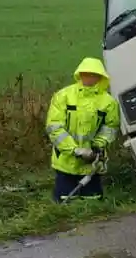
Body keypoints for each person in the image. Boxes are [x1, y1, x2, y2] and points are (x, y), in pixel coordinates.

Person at [44, 57, 121, 202]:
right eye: (85, 73)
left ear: (100, 76)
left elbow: (110, 127)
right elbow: (54, 127)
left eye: (93, 74)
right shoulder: (63, 96)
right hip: (65, 161)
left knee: (93, 202)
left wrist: (98, 146)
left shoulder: (108, 102)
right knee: (64, 201)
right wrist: (74, 150)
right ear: (79, 74)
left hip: (92, 164)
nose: (88, 77)